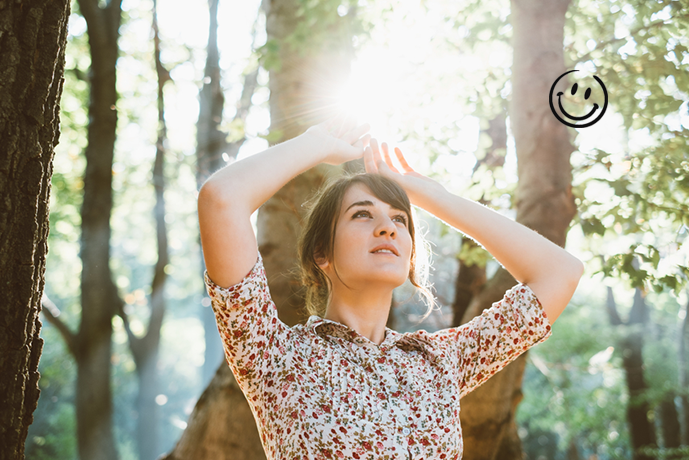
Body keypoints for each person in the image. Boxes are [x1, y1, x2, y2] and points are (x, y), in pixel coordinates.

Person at [197, 117, 584, 460]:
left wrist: (434, 197)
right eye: (362, 214)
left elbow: (560, 272)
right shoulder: (274, 357)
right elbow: (221, 200)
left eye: (400, 219)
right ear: (321, 253)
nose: (388, 227)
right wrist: (316, 145)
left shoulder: (440, 363)